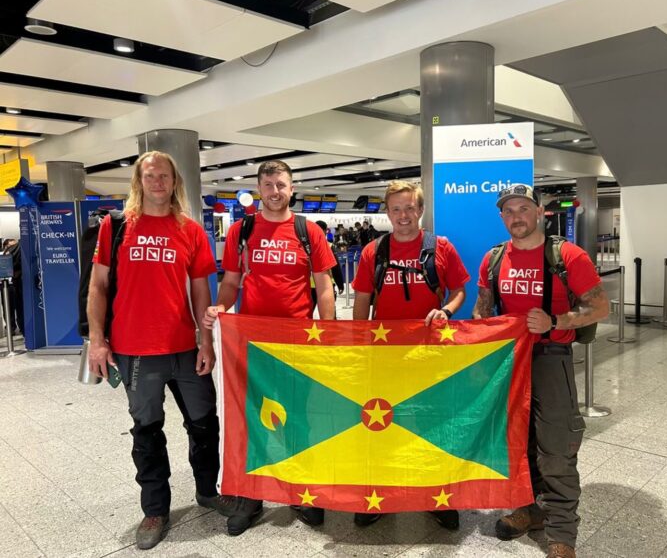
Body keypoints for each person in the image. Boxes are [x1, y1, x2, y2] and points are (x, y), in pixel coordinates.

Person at [87, 151, 239, 550]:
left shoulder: (189, 230)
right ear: (139, 182)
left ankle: (209, 489)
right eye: (150, 176)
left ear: (175, 181)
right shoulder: (116, 227)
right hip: (136, 351)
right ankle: (155, 509)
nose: (158, 182)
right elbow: (98, 286)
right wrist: (97, 340)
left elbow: (201, 288)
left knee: (205, 424)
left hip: (185, 347)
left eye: (165, 176)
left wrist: (206, 340)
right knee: (147, 432)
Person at [472, 185, 609, 558]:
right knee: (519, 442)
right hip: (508, 363)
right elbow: (482, 309)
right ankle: (528, 509)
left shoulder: (567, 255)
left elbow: (600, 307)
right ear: (503, 218)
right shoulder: (494, 258)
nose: (516, 216)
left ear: (540, 213)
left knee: (556, 447)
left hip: (550, 358)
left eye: (523, 209)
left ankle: (562, 532)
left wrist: (555, 320)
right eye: (509, 211)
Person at [203, 159, 336, 534]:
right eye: (268, 185)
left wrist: (328, 332)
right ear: (258, 189)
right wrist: (222, 306)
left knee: (299, 418)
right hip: (251, 346)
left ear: (291, 189)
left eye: (281, 185)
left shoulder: (308, 232)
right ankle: (251, 496)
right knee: (252, 421)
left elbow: (323, 285)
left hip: (298, 343)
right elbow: (230, 282)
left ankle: (299, 489)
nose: (275, 192)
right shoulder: (242, 231)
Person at [351, 181, 470, 530]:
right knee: (381, 423)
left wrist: (447, 310)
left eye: (409, 208)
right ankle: (380, 496)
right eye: (396, 209)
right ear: (388, 213)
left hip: (428, 352)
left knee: (430, 423)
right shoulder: (374, 252)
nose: (403, 216)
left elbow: (460, 290)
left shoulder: (440, 247)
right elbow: (361, 300)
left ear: (420, 210)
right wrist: (358, 345)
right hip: (384, 353)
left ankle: (435, 495)